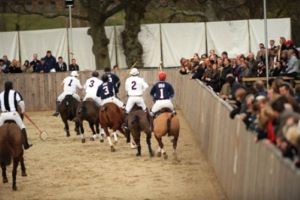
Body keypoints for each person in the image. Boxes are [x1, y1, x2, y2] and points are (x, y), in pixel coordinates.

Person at [0, 81, 32, 149]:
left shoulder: (1, 94)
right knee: (22, 127)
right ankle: (26, 145)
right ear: (12, 86)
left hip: (3, 115)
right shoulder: (15, 93)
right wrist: (23, 111)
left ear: (4, 87)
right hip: (13, 114)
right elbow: (21, 102)